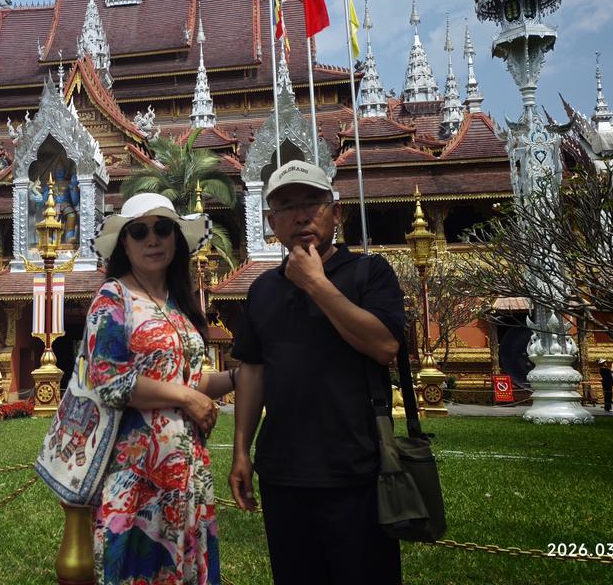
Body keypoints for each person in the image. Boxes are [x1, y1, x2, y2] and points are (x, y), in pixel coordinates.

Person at [229, 160, 407, 585]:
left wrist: (314, 282)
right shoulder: (263, 289)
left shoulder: (369, 273)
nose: (301, 216)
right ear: (271, 222)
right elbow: (252, 371)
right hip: (282, 473)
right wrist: (241, 452)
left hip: (357, 469)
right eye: (287, 207)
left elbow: (384, 347)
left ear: (336, 213)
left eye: (312, 203)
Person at [82, 192, 234, 584]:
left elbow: (187, 379)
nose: (152, 240)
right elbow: (108, 380)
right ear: (124, 243)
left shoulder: (178, 306)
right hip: (136, 472)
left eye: (162, 229)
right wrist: (186, 397)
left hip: (187, 468)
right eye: (139, 232)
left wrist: (237, 377)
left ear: (176, 240)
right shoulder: (113, 298)